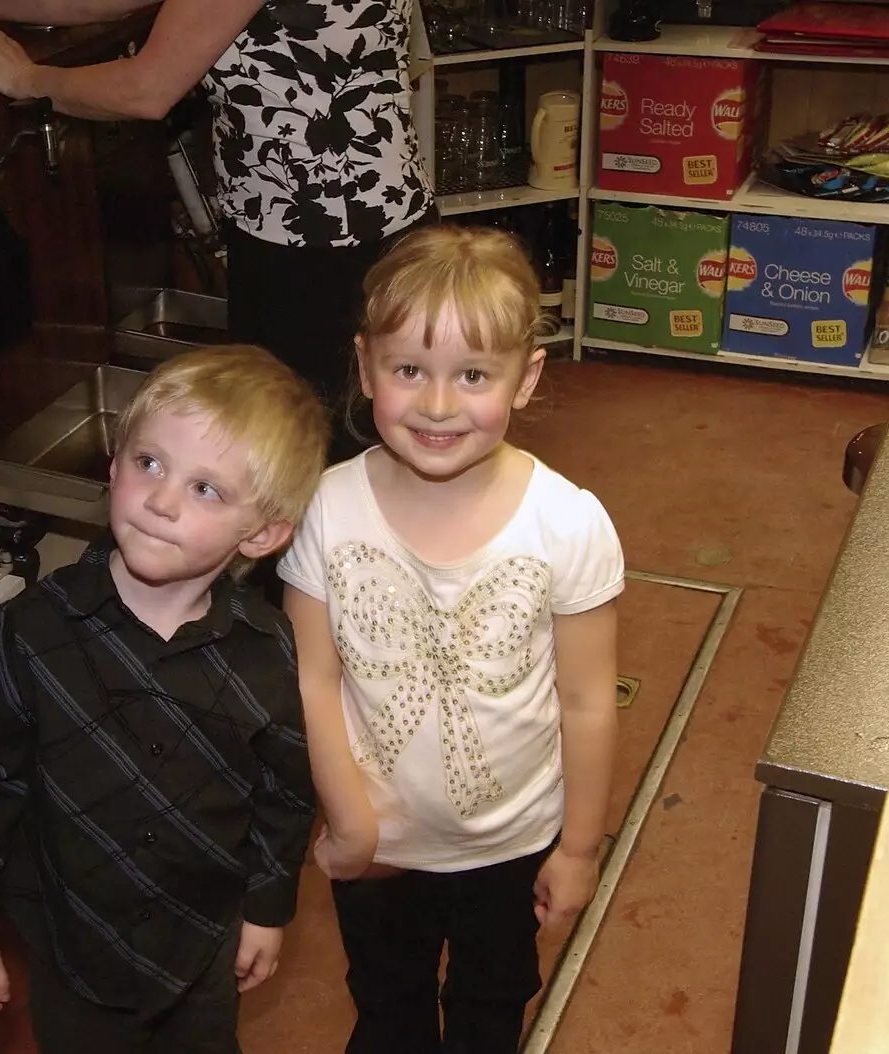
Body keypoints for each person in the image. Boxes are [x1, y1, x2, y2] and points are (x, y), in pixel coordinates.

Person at [278, 225, 623, 1054]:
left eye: (472, 375)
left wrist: (579, 849)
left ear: (526, 378)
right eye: (408, 372)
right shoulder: (325, 507)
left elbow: (586, 701)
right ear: (365, 368)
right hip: (379, 847)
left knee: (487, 1015)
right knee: (388, 1013)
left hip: (513, 845)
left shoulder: (568, 523)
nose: (437, 406)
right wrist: (350, 822)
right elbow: (313, 680)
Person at [0, 344, 329, 1054]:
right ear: (113, 466)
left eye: (207, 489)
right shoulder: (27, 635)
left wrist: (268, 909)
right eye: (149, 463)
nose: (162, 499)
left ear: (263, 533)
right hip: (70, 942)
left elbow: (284, 794)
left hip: (202, 944)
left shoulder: (268, 648)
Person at [0, 0, 434, 455]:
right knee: (377, 444)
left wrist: (24, 78)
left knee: (300, 452)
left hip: (311, 242)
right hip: (382, 214)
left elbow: (147, 89)